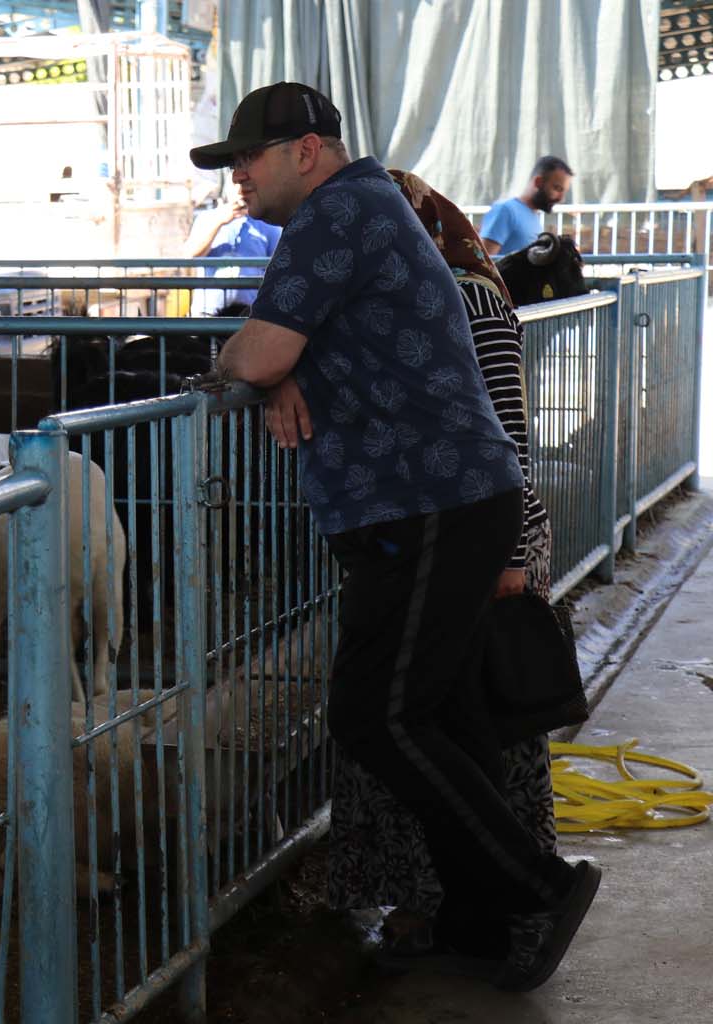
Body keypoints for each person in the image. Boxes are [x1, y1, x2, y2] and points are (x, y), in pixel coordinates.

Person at [194, 81, 600, 992]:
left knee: (377, 713)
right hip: (434, 502)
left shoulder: (337, 214)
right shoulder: (364, 208)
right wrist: (270, 373)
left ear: (305, 150)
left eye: (247, 160)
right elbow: (276, 351)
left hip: (428, 504)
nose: (238, 181)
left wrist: (256, 370)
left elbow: (258, 348)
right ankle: (481, 921)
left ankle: (537, 889)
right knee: (444, 714)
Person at [326, 167, 561, 964]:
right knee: (429, 724)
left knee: (474, 729)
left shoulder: (468, 295)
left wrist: (514, 552)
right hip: (430, 532)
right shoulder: (395, 298)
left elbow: (506, 430)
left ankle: (518, 910)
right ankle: (445, 910)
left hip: (482, 537)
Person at [184, 184, 282, 312]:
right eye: (236, 185)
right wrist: (220, 222)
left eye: (244, 185)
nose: (240, 191)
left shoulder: (269, 225)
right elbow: (190, 255)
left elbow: (278, 270)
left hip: (249, 314)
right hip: (208, 313)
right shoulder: (206, 218)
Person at [480, 156, 573, 258]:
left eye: (564, 191)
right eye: (557, 188)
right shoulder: (506, 210)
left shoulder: (533, 216)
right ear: (538, 182)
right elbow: (484, 262)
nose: (561, 198)